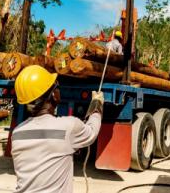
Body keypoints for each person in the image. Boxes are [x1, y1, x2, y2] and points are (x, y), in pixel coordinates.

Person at [11, 65, 104, 193]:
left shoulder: (17, 134)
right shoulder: (67, 128)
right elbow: (92, 132)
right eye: (56, 87)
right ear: (53, 95)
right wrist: (97, 105)